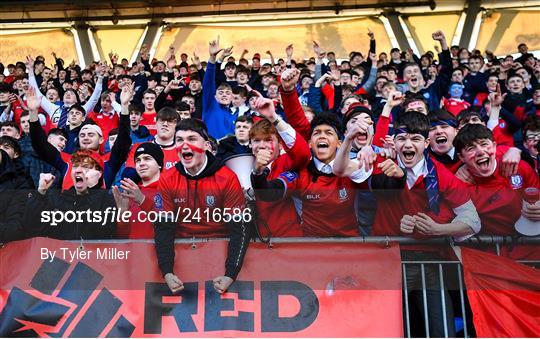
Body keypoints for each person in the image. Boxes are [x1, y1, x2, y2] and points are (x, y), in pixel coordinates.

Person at [153, 118, 250, 294]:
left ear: (206, 145)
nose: (184, 145)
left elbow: (240, 229)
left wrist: (231, 273)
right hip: (182, 254)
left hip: (220, 253)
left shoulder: (227, 178)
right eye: (180, 139)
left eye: (191, 139)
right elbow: (163, 228)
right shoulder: (168, 178)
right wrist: (166, 271)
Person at [251, 113, 372, 236]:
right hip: (312, 247)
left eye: (329, 133)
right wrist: (257, 172)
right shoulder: (300, 172)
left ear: (339, 143)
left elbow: (377, 181)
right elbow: (269, 193)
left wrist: (370, 149)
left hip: (351, 246)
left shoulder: (353, 167)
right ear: (309, 143)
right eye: (317, 133)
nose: (322, 136)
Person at [454, 124, 539, 234]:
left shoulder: (519, 167)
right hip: (490, 249)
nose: (480, 152)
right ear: (461, 157)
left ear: (494, 146)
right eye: (471, 148)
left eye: (484, 144)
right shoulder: (459, 185)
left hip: (530, 245)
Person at [23, 150, 116, 240]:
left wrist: (89, 192)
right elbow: (32, 228)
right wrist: (40, 193)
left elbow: (106, 234)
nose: (78, 170)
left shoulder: (107, 200)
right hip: (60, 254)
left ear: (99, 174)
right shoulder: (57, 198)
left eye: (86, 167)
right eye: (75, 166)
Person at [113, 142, 164, 239]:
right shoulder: (130, 193)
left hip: (160, 252)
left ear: (159, 164)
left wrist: (143, 201)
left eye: (147, 159)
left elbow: (171, 226)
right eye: (138, 160)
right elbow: (122, 236)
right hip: (134, 252)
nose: (141, 164)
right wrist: (123, 214)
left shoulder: (170, 189)